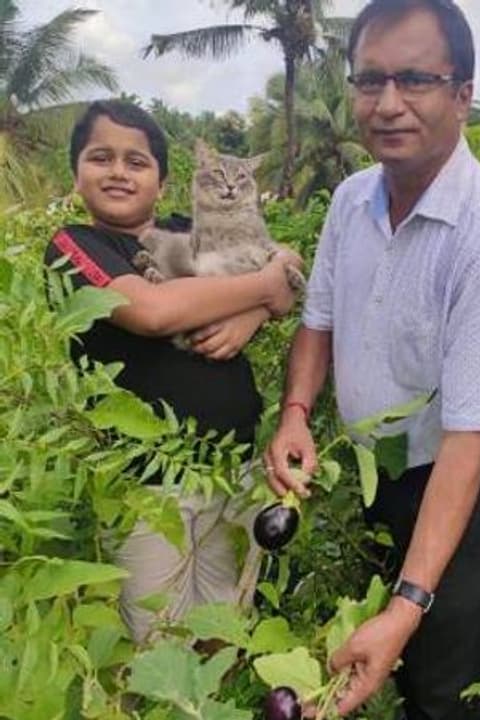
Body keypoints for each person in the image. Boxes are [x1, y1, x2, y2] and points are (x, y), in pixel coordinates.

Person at [263, 1, 480, 717]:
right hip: (373, 473)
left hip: (461, 483)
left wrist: (413, 600)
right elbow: (317, 322)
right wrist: (296, 413)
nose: (387, 105)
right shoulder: (351, 201)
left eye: (415, 79)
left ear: (463, 95)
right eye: (370, 80)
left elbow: (469, 438)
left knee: (449, 688)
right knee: (373, 650)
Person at [44, 99, 302, 642]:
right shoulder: (76, 245)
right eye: (101, 157)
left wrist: (252, 316)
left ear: (162, 184)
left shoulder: (195, 230)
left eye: (137, 161)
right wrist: (261, 291)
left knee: (224, 631)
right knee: (158, 650)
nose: (118, 171)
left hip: (228, 475)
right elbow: (151, 311)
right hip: (146, 491)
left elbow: (290, 259)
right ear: (76, 174)